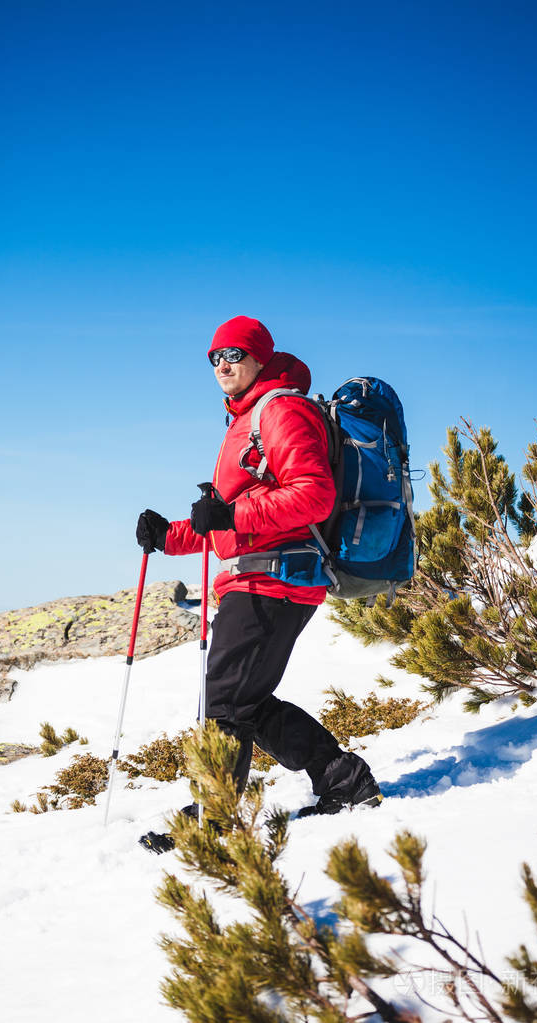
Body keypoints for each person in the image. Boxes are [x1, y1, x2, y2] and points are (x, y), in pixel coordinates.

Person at [136, 316, 380, 844]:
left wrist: (229, 517)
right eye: (214, 357)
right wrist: (168, 535)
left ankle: (216, 821)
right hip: (260, 576)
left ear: (259, 357)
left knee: (225, 701)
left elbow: (313, 495)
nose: (222, 364)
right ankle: (343, 780)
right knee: (245, 701)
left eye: (233, 353)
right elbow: (229, 524)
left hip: (278, 579)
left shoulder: (282, 410)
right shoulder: (245, 419)